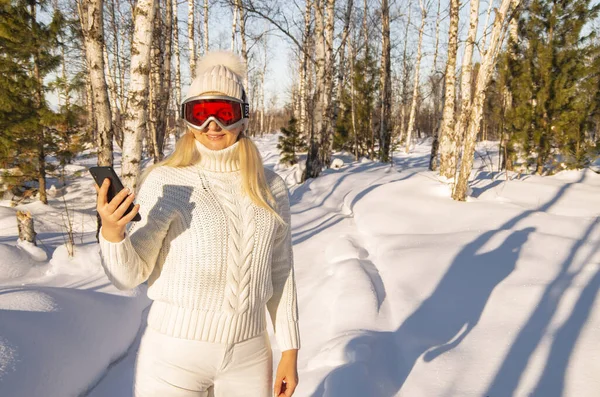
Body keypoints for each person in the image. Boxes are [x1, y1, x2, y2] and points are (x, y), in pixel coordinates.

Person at [94, 51, 300, 397]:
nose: (212, 126)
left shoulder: (271, 186)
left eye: (224, 113)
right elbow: (130, 274)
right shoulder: (166, 180)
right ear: (188, 119)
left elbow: (281, 273)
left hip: (250, 356)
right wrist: (113, 233)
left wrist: (290, 351)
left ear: (243, 116)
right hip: (173, 358)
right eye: (200, 114)